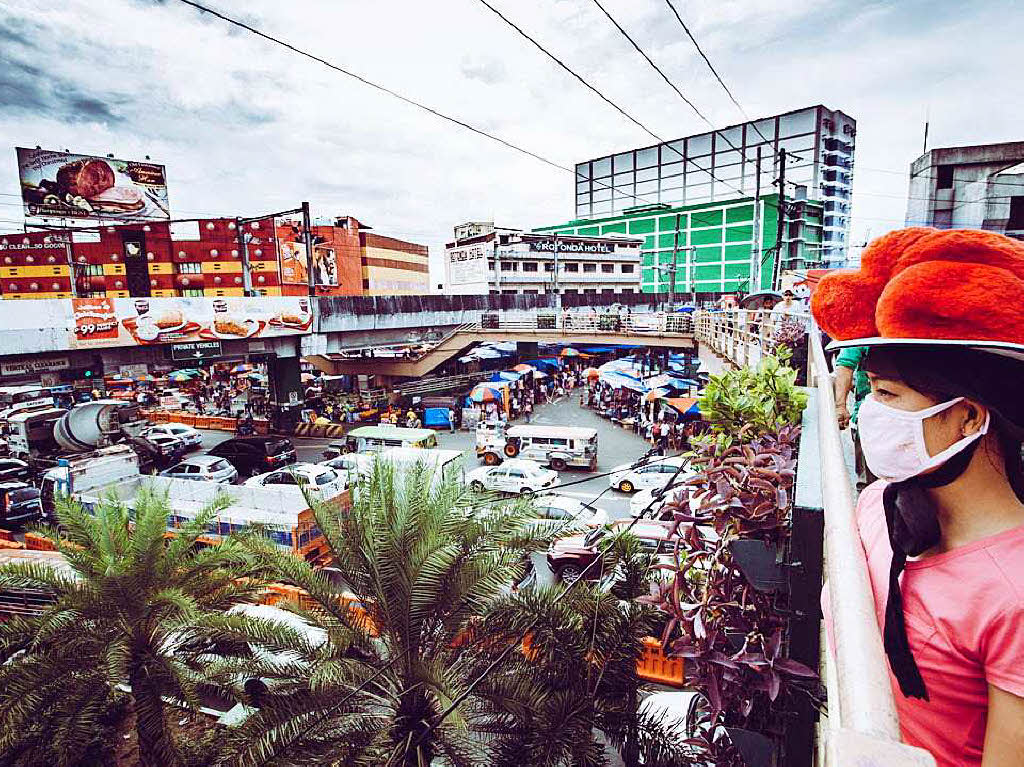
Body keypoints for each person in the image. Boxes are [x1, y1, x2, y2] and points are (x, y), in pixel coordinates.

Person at [812, 227, 1024, 767]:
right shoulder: (879, 505)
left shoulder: (1013, 596)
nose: (865, 415)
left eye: (887, 395)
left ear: (969, 417)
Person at [834, 345, 875, 488]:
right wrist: (840, 406)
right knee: (869, 483)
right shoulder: (863, 328)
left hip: (908, 417)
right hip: (868, 417)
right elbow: (846, 364)